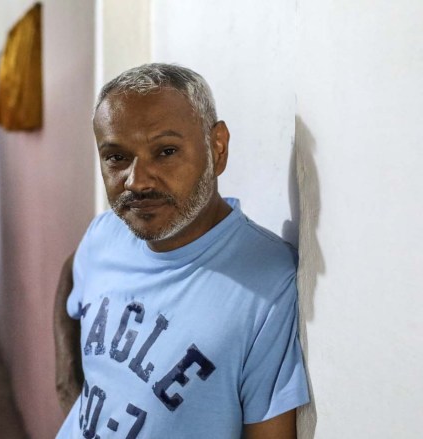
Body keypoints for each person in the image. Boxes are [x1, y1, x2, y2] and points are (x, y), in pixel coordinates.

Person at [54, 63, 309, 439]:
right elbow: (70, 273)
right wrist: (67, 384)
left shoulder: (267, 283)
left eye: (166, 151)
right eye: (116, 157)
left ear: (217, 148)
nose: (137, 181)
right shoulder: (105, 234)